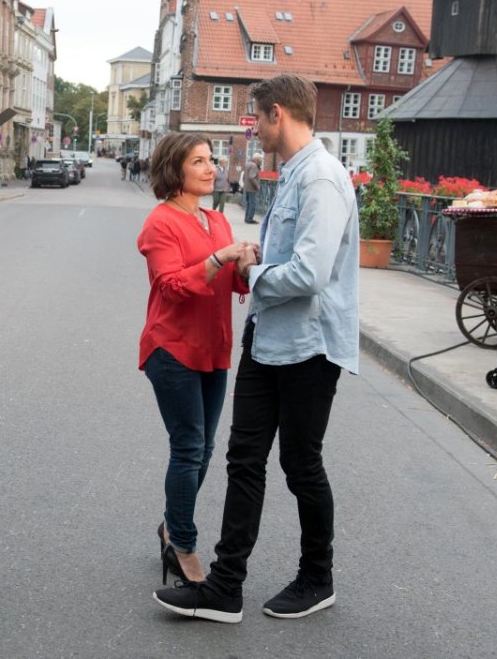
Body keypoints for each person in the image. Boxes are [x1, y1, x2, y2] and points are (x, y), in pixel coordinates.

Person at [153, 74, 359, 623]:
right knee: (244, 460)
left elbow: (311, 274)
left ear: (276, 114)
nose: (253, 129)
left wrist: (250, 266)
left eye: (256, 118)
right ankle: (225, 588)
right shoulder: (291, 174)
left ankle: (317, 577)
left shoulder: (320, 179)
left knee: (300, 463)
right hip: (268, 339)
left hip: (309, 346)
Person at [138, 133, 256, 586]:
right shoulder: (160, 223)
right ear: (175, 169)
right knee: (188, 449)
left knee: (205, 448)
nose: (211, 168)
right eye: (199, 161)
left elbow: (232, 284)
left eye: (212, 160)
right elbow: (171, 286)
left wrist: (245, 264)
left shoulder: (216, 221)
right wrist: (217, 257)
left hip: (213, 349)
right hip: (171, 349)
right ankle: (181, 545)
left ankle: (172, 523)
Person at [241, 152, 262, 223]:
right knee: (252, 204)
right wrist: (257, 186)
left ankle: (247, 218)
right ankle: (250, 219)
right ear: (256, 159)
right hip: (252, 188)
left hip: (247, 187)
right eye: (259, 160)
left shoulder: (248, 164)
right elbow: (251, 177)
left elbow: (244, 176)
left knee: (248, 203)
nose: (260, 161)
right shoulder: (254, 166)